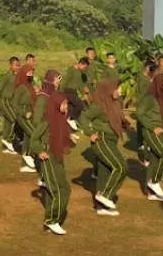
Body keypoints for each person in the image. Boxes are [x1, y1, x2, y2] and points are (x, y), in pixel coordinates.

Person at [80, 78, 128, 213]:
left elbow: (117, 118)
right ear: (108, 90)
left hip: (112, 140)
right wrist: (90, 133)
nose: (119, 91)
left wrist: (125, 125)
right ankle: (105, 195)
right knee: (120, 167)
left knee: (104, 172)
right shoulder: (99, 105)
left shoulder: (114, 103)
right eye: (117, 88)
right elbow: (83, 117)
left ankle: (101, 207)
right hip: (101, 140)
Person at [35, 88, 75, 234]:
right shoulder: (47, 121)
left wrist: (70, 140)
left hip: (58, 158)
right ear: (56, 104)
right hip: (49, 158)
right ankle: (52, 220)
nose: (66, 107)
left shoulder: (60, 119)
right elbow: (34, 139)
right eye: (63, 104)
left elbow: (62, 136)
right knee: (59, 190)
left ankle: (51, 218)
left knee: (63, 189)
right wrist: (40, 151)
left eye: (66, 104)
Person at [138, 67, 163, 200]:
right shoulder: (149, 98)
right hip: (151, 131)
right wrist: (152, 127)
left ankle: (150, 192)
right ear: (159, 84)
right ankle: (154, 181)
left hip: (162, 131)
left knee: (155, 159)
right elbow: (139, 114)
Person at [10, 65, 40, 173]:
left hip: (31, 113)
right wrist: (23, 113)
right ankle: (28, 156)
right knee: (34, 133)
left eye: (32, 73)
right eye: (28, 73)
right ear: (23, 74)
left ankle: (25, 162)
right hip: (22, 114)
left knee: (28, 135)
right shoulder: (21, 87)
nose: (30, 75)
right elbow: (14, 103)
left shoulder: (30, 85)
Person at [0, 56, 21, 154]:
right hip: (5, 101)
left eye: (19, 65)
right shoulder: (6, 76)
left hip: (13, 102)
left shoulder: (18, 77)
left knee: (7, 123)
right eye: (15, 65)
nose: (17, 67)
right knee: (13, 118)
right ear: (10, 65)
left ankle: (5, 147)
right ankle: (8, 140)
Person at [60, 55, 91, 129]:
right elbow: (64, 82)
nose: (85, 69)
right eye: (85, 67)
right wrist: (61, 94)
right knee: (80, 105)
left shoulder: (79, 73)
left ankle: (70, 121)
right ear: (81, 64)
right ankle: (71, 119)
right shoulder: (71, 70)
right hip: (68, 91)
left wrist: (84, 93)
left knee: (73, 108)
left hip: (74, 92)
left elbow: (80, 85)